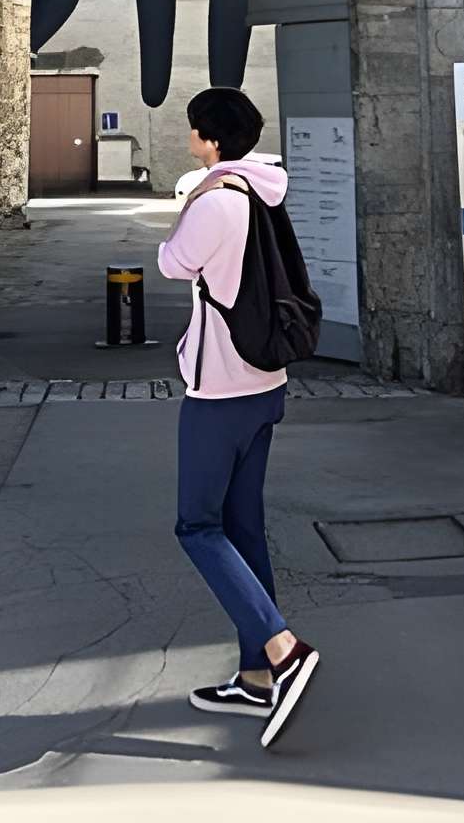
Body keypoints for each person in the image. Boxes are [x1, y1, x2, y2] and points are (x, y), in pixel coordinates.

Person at [156, 85, 320, 748]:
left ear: (212, 140)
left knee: (197, 524)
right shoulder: (261, 192)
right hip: (265, 382)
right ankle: (255, 675)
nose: (190, 139)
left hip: (219, 391)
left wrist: (193, 195)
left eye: (196, 131)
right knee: (242, 527)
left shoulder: (217, 201)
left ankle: (283, 649)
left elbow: (172, 263)